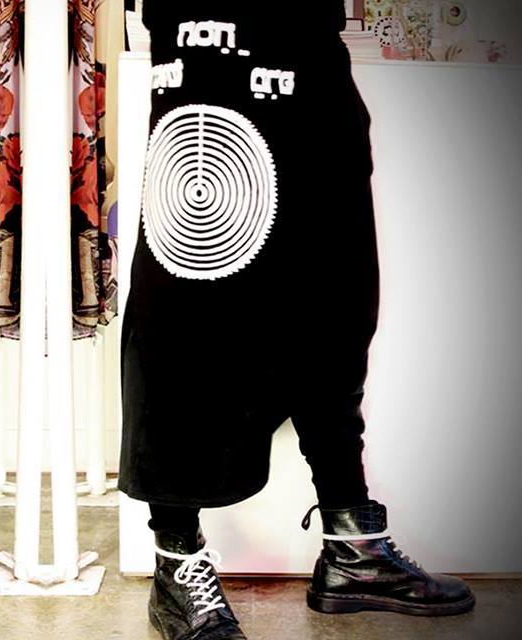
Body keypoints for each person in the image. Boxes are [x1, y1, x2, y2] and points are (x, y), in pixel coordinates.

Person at [119, 2, 475, 638]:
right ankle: (177, 562)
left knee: (335, 310)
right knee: (186, 316)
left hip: (314, 55)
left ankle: (352, 549)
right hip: (207, 49)